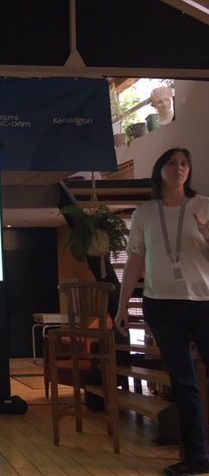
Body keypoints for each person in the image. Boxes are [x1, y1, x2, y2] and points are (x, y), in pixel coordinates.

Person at [115, 147, 209, 476]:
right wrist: (123, 305)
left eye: (184, 163)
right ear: (159, 170)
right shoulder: (144, 213)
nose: (178, 168)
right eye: (171, 163)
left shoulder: (204, 206)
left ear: (189, 171)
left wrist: (207, 236)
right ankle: (197, 456)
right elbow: (134, 261)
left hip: (203, 301)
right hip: (160, 305)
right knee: (183, 382)